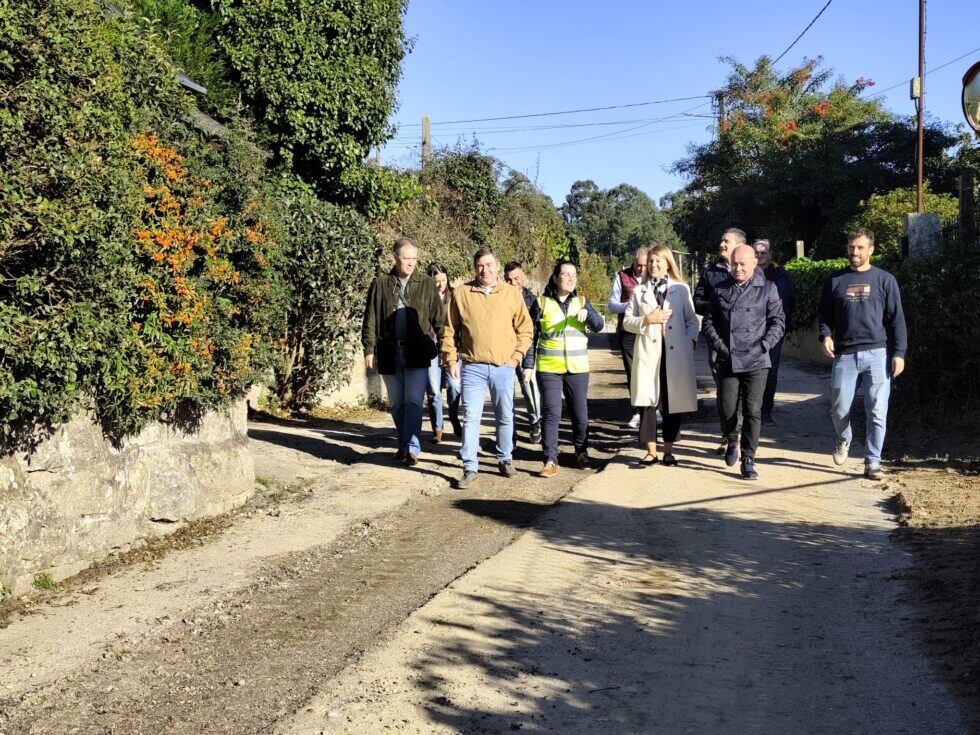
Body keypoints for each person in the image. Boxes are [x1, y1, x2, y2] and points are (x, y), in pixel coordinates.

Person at [818, 227, 907, 480]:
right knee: (838, 408)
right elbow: (824, 317)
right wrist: (826, 335)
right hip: (845, 355)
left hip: (877, 354)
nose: (854, 251)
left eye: (860, 247)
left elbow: (896, 319)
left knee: (877, 410)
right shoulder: (834, 281)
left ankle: (873, 461)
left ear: (871, 250)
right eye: (851, 247)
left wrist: (899, 352)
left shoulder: (884, 280)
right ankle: (844, 438)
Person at [442, 248, 534, 489]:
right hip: (472, 366)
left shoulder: (512, 294)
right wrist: (451, 360)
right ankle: (469, 467)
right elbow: (449, 329)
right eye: (481, 265)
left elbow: (525, 328)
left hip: (503, 366)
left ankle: (505, 458)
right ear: (475, 268)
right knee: (471, 417)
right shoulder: (462, 293)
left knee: (505, 415)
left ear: (497, 266)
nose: (486, 270)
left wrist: (516, 356)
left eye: (490, 265)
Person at [701, 244, 785, 480]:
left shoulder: (768, 289)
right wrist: (721, 347)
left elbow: (778, 322)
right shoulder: (719, 290)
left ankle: (749, 458)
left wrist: (763, 346)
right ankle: (732, 439)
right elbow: (708, 323)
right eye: (734, 264)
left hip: (757, 359)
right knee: (727, 408)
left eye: (742, 264)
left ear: (754, 263)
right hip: (728, 358)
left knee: (752, 411)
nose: (737, 268)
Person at [362, 237, 444, 466]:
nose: (411, 263)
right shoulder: (381, 283)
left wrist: (446, 348)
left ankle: (412, 447)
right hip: (389, 350)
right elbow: (371, 317)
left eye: (414, 259)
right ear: (395, 258)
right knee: (397, 403)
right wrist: (369, 348)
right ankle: (403, 443)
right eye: (406, 258)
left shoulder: (426, 283)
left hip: (417, 351)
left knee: (414, 402)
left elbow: (439, 318)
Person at [623, 245, 700, 466]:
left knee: (672, 402)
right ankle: (650, 452)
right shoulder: (639, 291)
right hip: (648, 354)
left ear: (668, 263)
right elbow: (627, 322)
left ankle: (668, 451)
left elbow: (692, 321)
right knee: (647, 403)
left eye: (658, 261)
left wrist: (690, 341)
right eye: (651, 261)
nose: (654, 265)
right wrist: (647, 320)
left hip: (675, 354)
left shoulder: (681, 289)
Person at [534, 261, 605, 477]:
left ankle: (581, 452)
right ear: (555, 278)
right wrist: (527, 364)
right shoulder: (541, 303)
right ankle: (549, 459)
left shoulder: (582, 301)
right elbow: (531, 335)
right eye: (566, 274)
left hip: (577, 368)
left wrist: (588, 313)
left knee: (580, 415)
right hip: (549, 368)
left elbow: (599, 326)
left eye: (574, 274)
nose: (571, 278)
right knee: (551, 413)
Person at [694, 227, 746, 456]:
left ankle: (741, 433)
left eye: (727, 241)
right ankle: (728, 434)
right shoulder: (710, 272)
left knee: (744, 388)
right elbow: (698, 301)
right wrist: (718, 307)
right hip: (717, 340)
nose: (722, 244)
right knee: (723, 388)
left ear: (739, 246)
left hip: (745, 341)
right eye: (722, 241)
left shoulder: (751, 271)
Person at [753, 239, 796, 425]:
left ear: (769, 255)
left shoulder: (779, 274)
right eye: (756, 252)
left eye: (763, 253)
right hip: (749, 331)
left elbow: (786, 300)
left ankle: (766, 411)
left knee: (770, 370)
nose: (760, 256)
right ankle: (751, 411)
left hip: (772, 331)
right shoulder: (745, 272)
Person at [607, 248, 648, 429]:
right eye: (638, 265)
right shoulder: (621, 276)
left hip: (650, 331)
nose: (641, 269)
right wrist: (631, 305)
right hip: (628, 332)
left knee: (651, 371)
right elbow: (612, 305)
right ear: (633, 262)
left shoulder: (655, 277)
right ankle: (637, 411)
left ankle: (654, 409)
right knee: (633, 374)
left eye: (644, 266)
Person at [503, 261, 542, 443]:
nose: (512, 283)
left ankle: (535, 422)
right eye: (509, 280)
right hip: (505, 354)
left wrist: (529, 363)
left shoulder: (533, 300)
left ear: (523, 277)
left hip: (525, 351)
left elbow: (533, 334)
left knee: (529, 388)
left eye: (516, 279)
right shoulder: (499, 298)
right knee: (506, 394)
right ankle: (510, 434)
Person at [424, 263, 462, 440]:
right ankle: (437, 428)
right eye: (436, 281)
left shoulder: (455, 296)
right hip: (431, 348)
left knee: (454, 386)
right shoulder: (424, 298)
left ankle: (454, 417)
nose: (441, 284)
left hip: (452, 347)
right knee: (433, 389)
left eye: (443, 280)